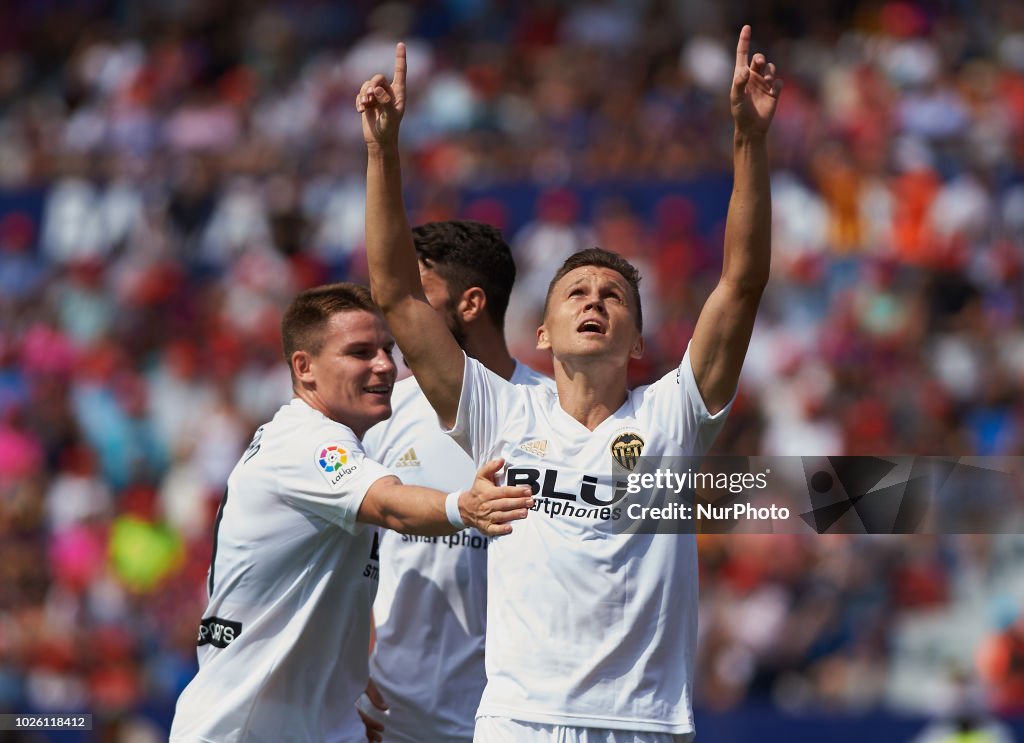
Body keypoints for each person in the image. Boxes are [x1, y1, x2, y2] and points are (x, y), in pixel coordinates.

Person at [357, 23, 780, 743]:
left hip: (643, 723)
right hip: (518, 722)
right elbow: (397, 294)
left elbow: (740, 283)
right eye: (576, 291)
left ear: (639, 340)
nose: (594, 300)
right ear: (543, 332)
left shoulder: (673, 416)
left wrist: (748, 139)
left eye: (613, 296)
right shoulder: (500, 409)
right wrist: (382, 150)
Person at [168, 283, 534, 743]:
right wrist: (463, 506)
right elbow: (388, 503)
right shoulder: (309, 443)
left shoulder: (319, 441)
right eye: (360, 352)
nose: (385, 365)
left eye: (387, 349)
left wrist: (336, 677)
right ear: (304, 367)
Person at [359, 220, 554, 743]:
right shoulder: (383, 413)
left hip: (518, 721)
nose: (400, 312)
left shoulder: (556, 413)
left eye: (419, 294)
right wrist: (339, 671)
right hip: (390, 719)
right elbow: (328, 548)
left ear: (471, 304)